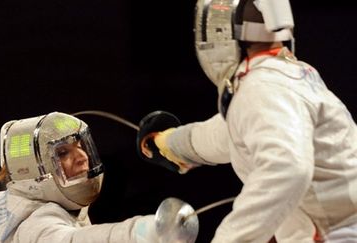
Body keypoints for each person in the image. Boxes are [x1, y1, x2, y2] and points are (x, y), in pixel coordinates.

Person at [139, 0, 357, 242]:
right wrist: (172, 144)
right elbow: (232, 132)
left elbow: (287, 168)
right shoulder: (284, 76)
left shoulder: (264, 87)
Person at [0, 111, 199, 243]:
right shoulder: (37, 223)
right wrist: (150, 230)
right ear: (33, 170)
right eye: (62, 152)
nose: (82, 156)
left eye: (80, 145)